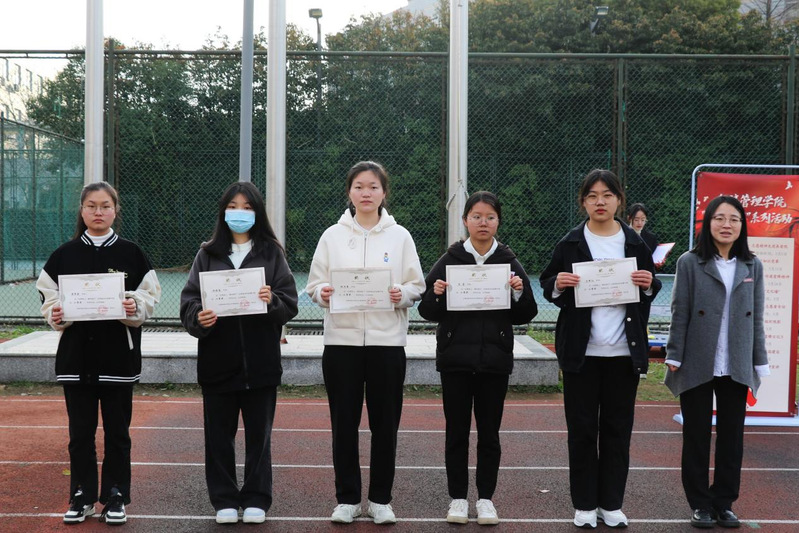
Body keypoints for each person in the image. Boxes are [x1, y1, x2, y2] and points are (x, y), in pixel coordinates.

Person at [539, 169, 661, 529]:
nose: (600, 202)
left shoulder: (635, 244)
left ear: (619, 200)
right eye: (592, 196)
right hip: (582, 354)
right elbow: (548, 284)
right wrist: (558, 283)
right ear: (583, 202)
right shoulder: (570, 242)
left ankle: (611, 503)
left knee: (617, 431)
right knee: (581, 431)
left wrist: (648, 283)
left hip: (624, 354)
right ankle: (584, 504)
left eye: (607, 195)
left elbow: (649, 288)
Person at [305, 161, 425, 525]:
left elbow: (416, 285)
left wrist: (400, 293)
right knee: (343, 424)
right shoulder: (332, 236)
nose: (366, 193)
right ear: (350, 192)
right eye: (359, 186)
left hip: (387, 344)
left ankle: (380, 500)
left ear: (384, 192)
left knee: (385, 425)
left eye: (373, 186)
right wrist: (323, 293)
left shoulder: (400, 237)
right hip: (341, 343)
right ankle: (347, 499)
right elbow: (314, 285)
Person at [36, 181, 161, 525]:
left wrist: (132, 305)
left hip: (118, 359)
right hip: (76, 360)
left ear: (115, 210)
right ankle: (82, 495)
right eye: (91, 206)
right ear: (82, 210)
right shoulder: (64, 255)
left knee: (118, 433)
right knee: (80, 434)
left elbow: (149, 296)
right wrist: (56, 313)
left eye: (105, 206)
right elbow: (48, 296)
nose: (98, 212)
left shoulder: (132, 254)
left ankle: (116, 495)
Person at [180, 181, 298, 524]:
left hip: (261, 363)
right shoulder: (207, 254)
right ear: (223, 211)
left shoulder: (271, 253)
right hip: (217, 362)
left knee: (260, 436)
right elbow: (189, 301)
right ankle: (224, 499)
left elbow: (289, 303)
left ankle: (257, 498)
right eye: (233, 206)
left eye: (247, 207)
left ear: (257, 212)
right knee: (218, 437)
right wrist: (198, 317)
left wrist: (271, 300)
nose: (240, 213)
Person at [417, 191, 538, 526]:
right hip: (455, 361)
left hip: (494, 362)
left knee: (489, 434)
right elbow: (426, 310)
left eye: (490, 217)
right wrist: (436, 294)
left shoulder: (508, 261)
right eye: (476, 216)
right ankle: (458, 498)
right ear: (465, 220)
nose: (483, 223)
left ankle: (485, 499)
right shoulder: (449, 260)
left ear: (498, 221)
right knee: (456, 433)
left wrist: (518, 291)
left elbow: (526, 313)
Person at [664, 195, 769, 529]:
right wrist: (674, 353)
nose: (727, 225)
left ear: (742, 226)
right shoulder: (689, 262)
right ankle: (700, 504)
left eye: (734, 219)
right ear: (708, 223)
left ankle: (724, 502)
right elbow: (680, 310)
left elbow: (757, 318)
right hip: (697, 359)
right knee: (696, 435)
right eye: (719, 218)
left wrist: (759, 359)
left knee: (731, 437)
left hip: (736, 361)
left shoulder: (752, 265)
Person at [627, 203, 664, 269]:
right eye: (636, 220)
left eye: (643, 220)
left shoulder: (651, 238)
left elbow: (653, 262)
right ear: (629, 218)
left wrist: (659, 262)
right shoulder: (623, 235)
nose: (640, 223)